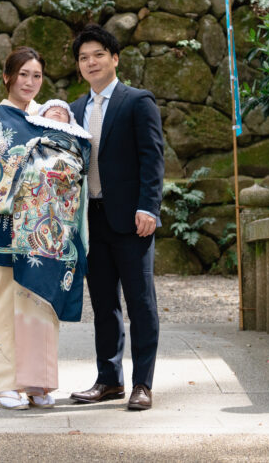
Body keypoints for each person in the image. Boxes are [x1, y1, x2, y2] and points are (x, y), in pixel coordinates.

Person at [0, 49, 91, 410]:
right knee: (3, 302)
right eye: (23, 75)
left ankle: (37, 381)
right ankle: (3, 383)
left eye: (36, 76)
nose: (30, 83)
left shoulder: (52, 117)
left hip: (48, 230)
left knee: (41, 302)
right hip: (7, 225)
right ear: (7, 77)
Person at [67, 24, 165, 411]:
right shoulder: (74, 110)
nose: (91, 62)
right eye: (83, 57)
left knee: (140, 302)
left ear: (115, 58)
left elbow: (152, 159)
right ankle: (108, 380)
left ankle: (143, 383)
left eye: (98, 55)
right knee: (104, 303)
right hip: (90, 220)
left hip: (131, 218)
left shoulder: (137, 102)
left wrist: (149, 208)